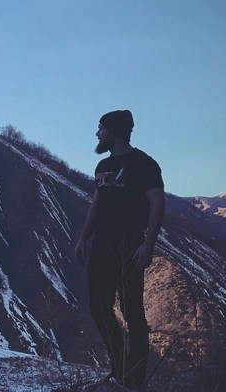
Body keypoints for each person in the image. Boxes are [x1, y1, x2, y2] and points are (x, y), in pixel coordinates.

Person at [74, 109, 165, 391]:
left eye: (100, 128)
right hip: (102, 246)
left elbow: (157, 204)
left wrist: (148, 244)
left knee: (132, 311)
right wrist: (83, 238)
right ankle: (122, 369)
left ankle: (134, 378)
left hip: (130, 246)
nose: (97, 133)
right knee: (99, 307)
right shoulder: (103, 166)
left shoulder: (144, 164)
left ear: (113, 131)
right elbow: (97, 204)